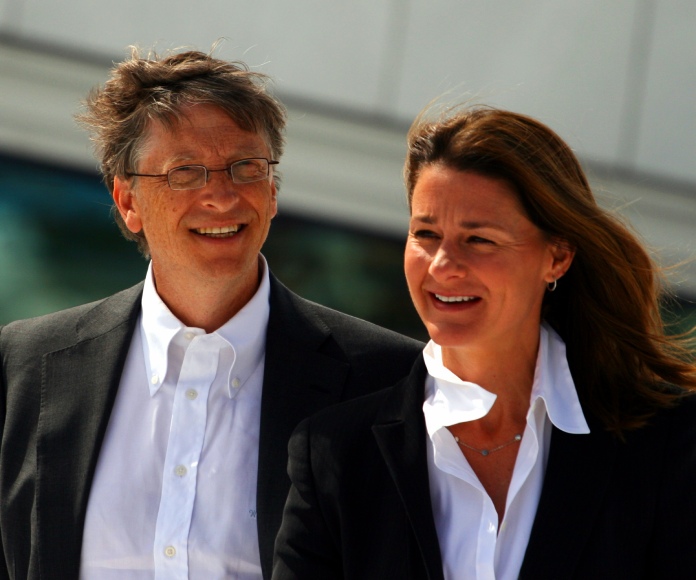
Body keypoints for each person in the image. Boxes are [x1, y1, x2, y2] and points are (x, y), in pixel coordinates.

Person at [0, 48, 423, 579]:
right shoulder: (26, 365)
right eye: (185, 172)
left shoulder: (385, 381)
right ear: (128, 201)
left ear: (272, 192)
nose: (222, 196)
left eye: (246, 167)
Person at [272, 105, 696, 579]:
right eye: (426, 234)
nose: (442, 265)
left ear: (556, 256)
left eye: (479, 240)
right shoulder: (335, 453)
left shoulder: (666, 443)